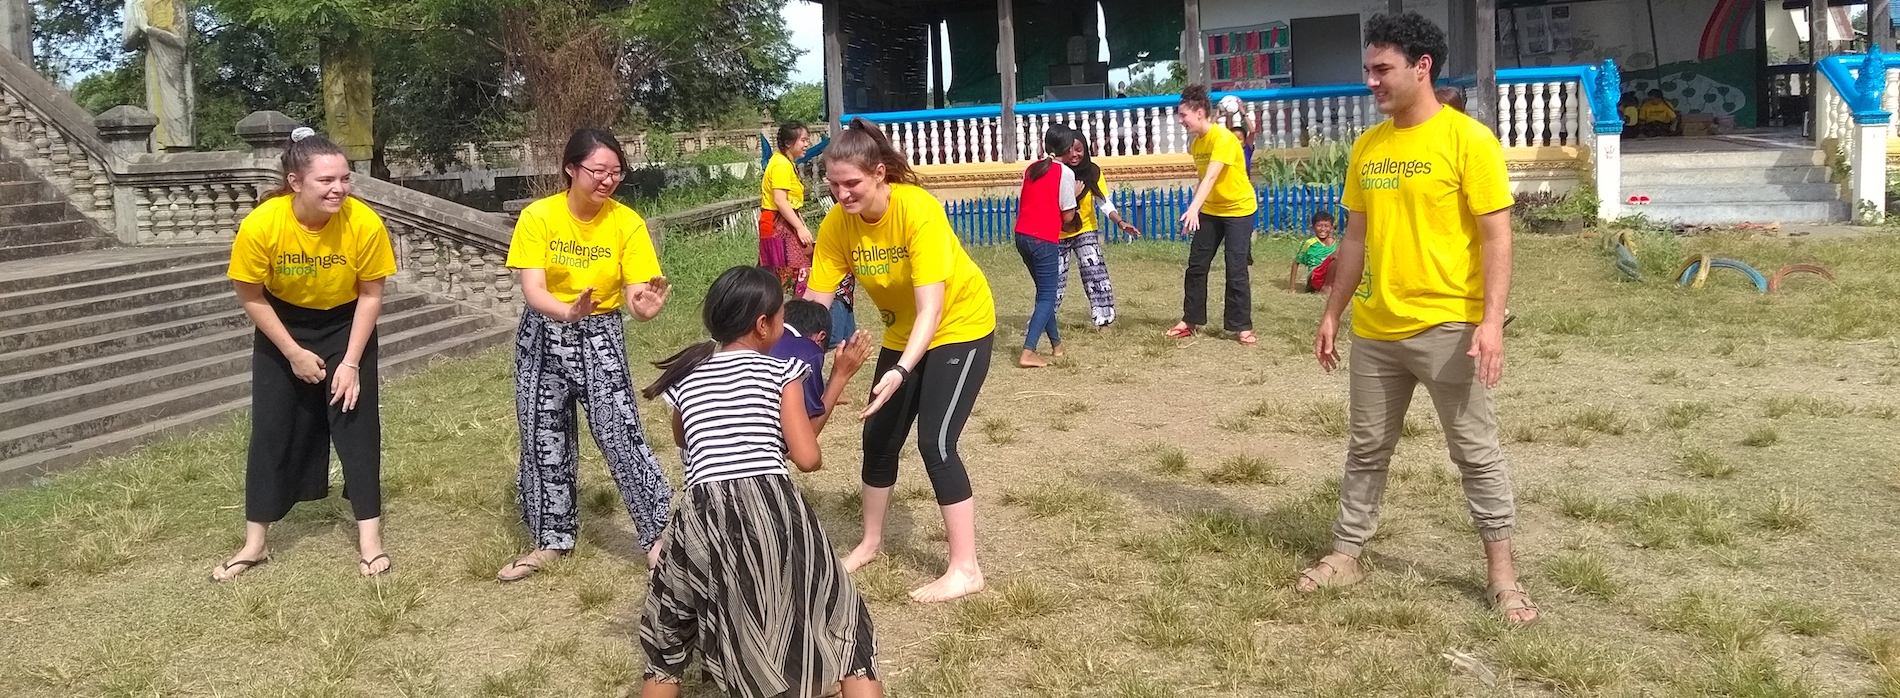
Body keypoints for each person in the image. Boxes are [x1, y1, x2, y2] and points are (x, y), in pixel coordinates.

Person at [1301, 11, 1537, 625]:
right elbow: (1353, 240)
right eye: (1368, 70)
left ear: (1421, 67)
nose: (1371, 82)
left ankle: (1502, 576)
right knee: (1366, 448)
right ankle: (1346, 553)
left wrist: (1490, 323)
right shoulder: (1368, 147)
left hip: (1449, 330)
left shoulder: (1468, 141)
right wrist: (1333, 312)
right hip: (1377, 332)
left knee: (1475, 452)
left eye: (1383, 70)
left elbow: (1496, 240)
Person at [638, 266, 881, 698]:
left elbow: (682, 436)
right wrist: (840, 377)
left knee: (668, 631)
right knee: (840, 616)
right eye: (781, 315)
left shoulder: (688, 373)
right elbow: (807, 458)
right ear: (762, 325)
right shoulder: (780, 372)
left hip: (702, 514)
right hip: (770, 507)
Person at [802, 117, 997, 604]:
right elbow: (813, 307)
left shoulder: (918, 211)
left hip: (959, 327)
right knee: (879, 435)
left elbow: (931, 308)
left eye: (852, 184)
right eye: (833, 185)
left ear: (880, 174)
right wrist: (777, 357)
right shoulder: (836, 225)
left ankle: (965, 568)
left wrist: (900, 369)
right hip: (904, 332)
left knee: (936, 441)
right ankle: (870, 542)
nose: (842, 195)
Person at [215, 127, 393, 581]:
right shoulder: (263, 224)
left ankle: (370, 542)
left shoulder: (363, 222)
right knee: (273, 429)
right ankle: (254, 544)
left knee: (356, 425)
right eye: (326, 181)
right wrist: (293, 352)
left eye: (345, 179)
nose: (339, 189)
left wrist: (350, 363)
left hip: (346, 322)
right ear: (296, 182)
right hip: (284, 325)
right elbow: (250, 293)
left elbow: (372, 293)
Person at [498, 127, 674, 583]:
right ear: (570, 169)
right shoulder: (539, 217)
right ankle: (550, 538)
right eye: (597, 171)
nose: (608, 180)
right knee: (543, 435)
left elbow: (637, 294)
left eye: (616, 172)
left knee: (621, 432)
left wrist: (644, 308)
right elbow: (533, 289)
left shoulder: (626, 223)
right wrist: (566, 311)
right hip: (543, 332)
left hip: (600, 334)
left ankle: (658, 537)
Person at [1166, 85, 1261, 346]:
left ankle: (1241, 326)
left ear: (1199, 113)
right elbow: (1202, 180)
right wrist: (1193, 209)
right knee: (1196, 265)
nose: (1181, 120)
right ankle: (1190, 320)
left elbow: (1212, 176)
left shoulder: (1224, 139)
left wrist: (1194, 207)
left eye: (1183, 115)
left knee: (1236, 267)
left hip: (1239, 210)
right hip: (1211, 210)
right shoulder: (1197, 144)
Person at [1057, 129, 1140, 329]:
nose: (1074, 155)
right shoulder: (1056, 172)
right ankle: (1042, 322)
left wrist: (1121, 222)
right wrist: (1074, 194)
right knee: (1053, 280)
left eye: (1079, 150)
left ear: (1086, 150)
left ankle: (1104, 318)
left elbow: (1104, 202)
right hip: (1057, 232)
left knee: (1095, 274)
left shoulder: (1093, 171)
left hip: (1085, 229)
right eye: (1069, 150)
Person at [1012, 126, 1081, 368]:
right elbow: (1068, 216)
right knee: (1047, 297)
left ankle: (1056, 345)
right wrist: (1076, 194)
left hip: (1022, 235)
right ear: (1068, 148)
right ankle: (1028, 351)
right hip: (1044, 239)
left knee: (1044, 293)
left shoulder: (1033, 168)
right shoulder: (1065, 174)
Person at [770, 298, 875, 434]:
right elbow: (807, 434)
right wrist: (840, 375)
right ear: (820, 337)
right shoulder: (808, 351)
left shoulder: (755, 339)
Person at [762, 121, 817, 295]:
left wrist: (801, 226)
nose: (807, 144)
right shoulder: (781, 164)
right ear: (788, 143)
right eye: (803, 140)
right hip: (777, 223)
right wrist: (800, 228)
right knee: (788, 272)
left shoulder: (786, 162)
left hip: (786, 220)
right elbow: (780, 200)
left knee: (798, 267)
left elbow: (791, 204)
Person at [1289, 210, 1338, 293]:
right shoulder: (1309, 243)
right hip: (1315, 277)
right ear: (1313, 227)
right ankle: (1325, 288)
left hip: (1329, 277)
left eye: (1326, 226)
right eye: (1319, 226)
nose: (1323, 229)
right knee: (1337, 256)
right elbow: (1295, 263)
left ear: (1332, 228)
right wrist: (1292, 288)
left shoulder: (1334, 242)